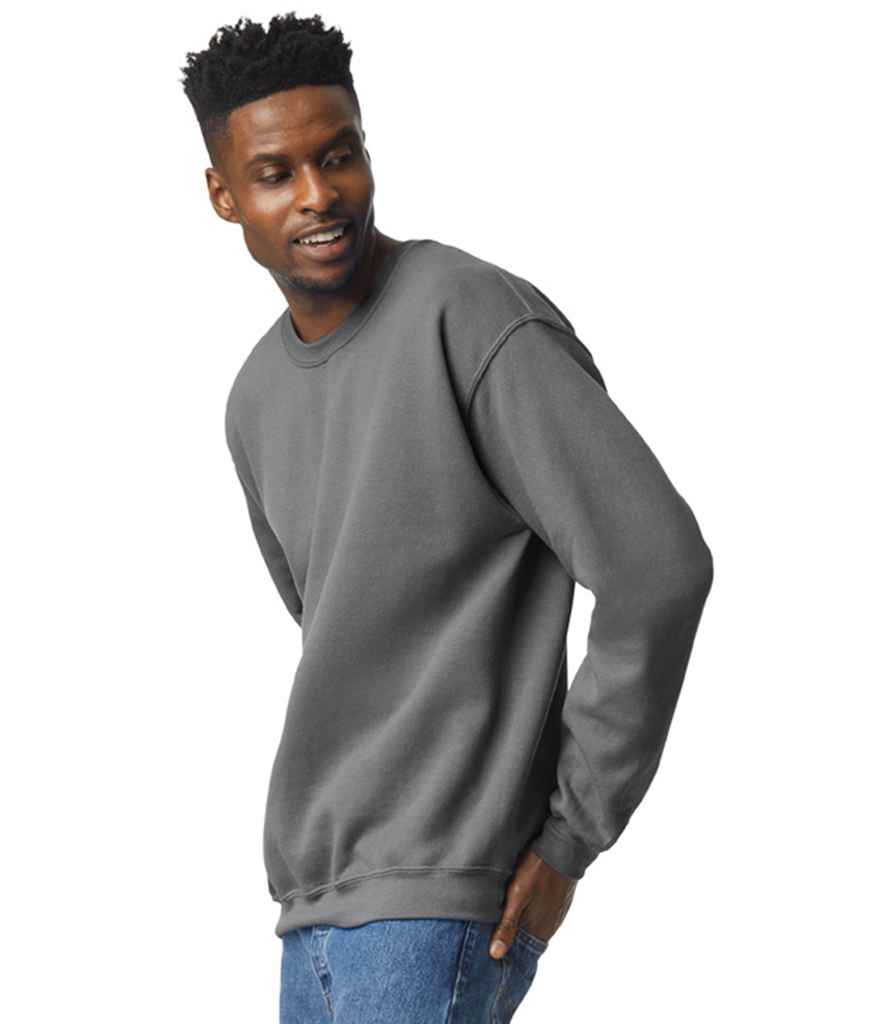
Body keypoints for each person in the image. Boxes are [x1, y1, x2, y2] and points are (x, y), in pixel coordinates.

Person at [180, 13, 714, 1023]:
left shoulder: (469, 317)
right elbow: (337, 629)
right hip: (312, 906)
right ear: (223, 194)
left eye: (339, 155)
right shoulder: (253, 398)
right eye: (276, 173)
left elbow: (656, 565)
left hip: (439, 906)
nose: (318, 195)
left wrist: (569, 838)